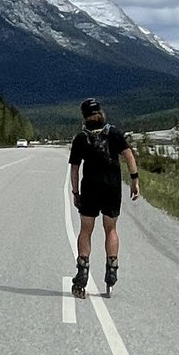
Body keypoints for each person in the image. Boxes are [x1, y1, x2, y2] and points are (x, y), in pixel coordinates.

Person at [67, 96, 139, 297]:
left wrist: (75, 192)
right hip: (112, 189)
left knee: (86, 229)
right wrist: (134, 180)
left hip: (90, 189)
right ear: (101, 113)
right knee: (111, 229)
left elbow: (74, 169)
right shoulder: (114, 133)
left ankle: (82, 270)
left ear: (84, 117)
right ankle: (112, 267)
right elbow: (129, 155)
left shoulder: (81, 138)